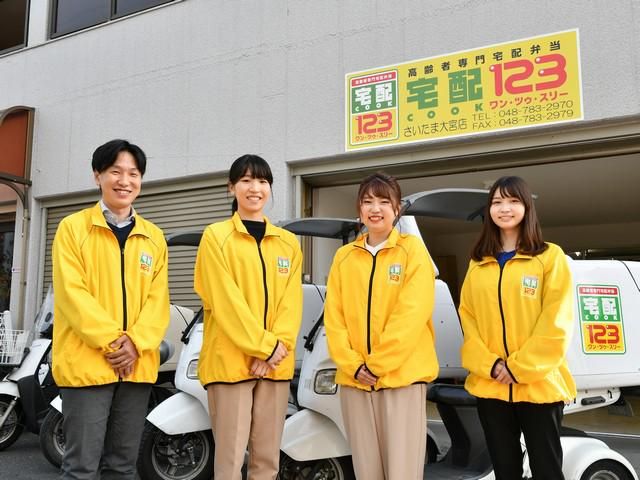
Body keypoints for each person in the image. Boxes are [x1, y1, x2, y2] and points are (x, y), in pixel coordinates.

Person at [52, 139, 170, 480]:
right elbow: (72, 294)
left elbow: (158, 301)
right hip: (87, 364)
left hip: (136, 368)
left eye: (133, 174)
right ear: (98, 176)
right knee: (80, 468)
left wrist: (136, 343)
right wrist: (115, 344)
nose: (125, 181)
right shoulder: (73, 228)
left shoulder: (154, 237)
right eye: (116, 172)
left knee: (122, 467)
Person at [459, 175, 576, 480]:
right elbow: (468, 319)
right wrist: (491, 365)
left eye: (513, 201)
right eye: (497, 202)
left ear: (526, 207)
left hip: (539, 385)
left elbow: (557, 320)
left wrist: (518, 367)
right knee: (504, 470)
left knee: (547, 470)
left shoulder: (549, 257)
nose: (504, 208)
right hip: (491, 384)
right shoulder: (478, 262)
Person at [194, 154, 303, 480]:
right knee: (229, 462)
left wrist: (274, 349)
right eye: (246, 180)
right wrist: (264, 347)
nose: (255, 188)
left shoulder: (288, 243)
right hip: (230, 365)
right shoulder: (215, 236)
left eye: (262, 181)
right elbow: (224, 300)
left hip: (275, 365)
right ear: (232, 188)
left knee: (267, 461)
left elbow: (291, 303)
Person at [324, 172, 439, 480]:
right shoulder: (344, 257)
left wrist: (376, 365)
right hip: (355, 382)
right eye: (367, 202)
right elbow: (334, 317)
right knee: (366, 470)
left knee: (402, 471)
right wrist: (353, 365)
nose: (375, 209)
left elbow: (412, 314)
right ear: (359, 209)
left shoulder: (412, 251)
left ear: (397, 208)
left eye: (384, 202)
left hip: (401, 379)